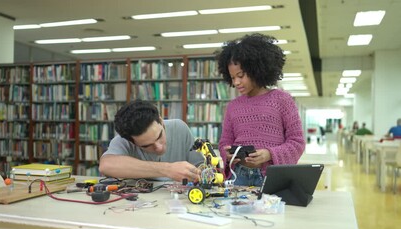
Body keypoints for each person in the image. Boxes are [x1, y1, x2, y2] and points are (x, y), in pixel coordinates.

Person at [215, 33, 306, 187]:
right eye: (232, 77)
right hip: (238, 176)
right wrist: (228, 154)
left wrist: (269, 154)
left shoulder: (282, 100)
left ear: (256, 69)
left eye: (241, 75)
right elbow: (225, 142)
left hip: (271, 176)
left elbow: (297, 142)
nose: (236, 82)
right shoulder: (233, 106)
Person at [99, 100, 203, 182]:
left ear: (161, 121)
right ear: (131, 142)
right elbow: (106, 165)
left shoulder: (179, 127)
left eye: (159, 136)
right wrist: (167, 170)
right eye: (146, 145)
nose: (159, 147)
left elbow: (200, 167)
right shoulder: (123, 140)